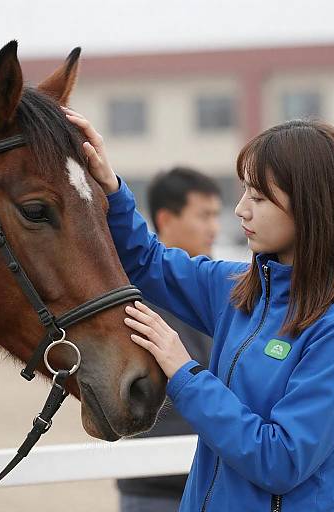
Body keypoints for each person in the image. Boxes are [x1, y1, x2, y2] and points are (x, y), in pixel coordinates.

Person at [64, 106, 334, 512]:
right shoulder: (236, 289)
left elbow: (281, 461)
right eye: (244, 192)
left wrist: (185, 374)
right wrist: (111, 186)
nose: (240, 210)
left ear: (310, 207)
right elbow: (147, 262)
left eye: (258, 197)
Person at [116, 167, 222, 512]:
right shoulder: (131, 300)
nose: (214, 227)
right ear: (165, 218)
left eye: (216, 215)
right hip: (154, 487)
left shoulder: (220, 290)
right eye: (204, 215)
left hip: (216, 485)